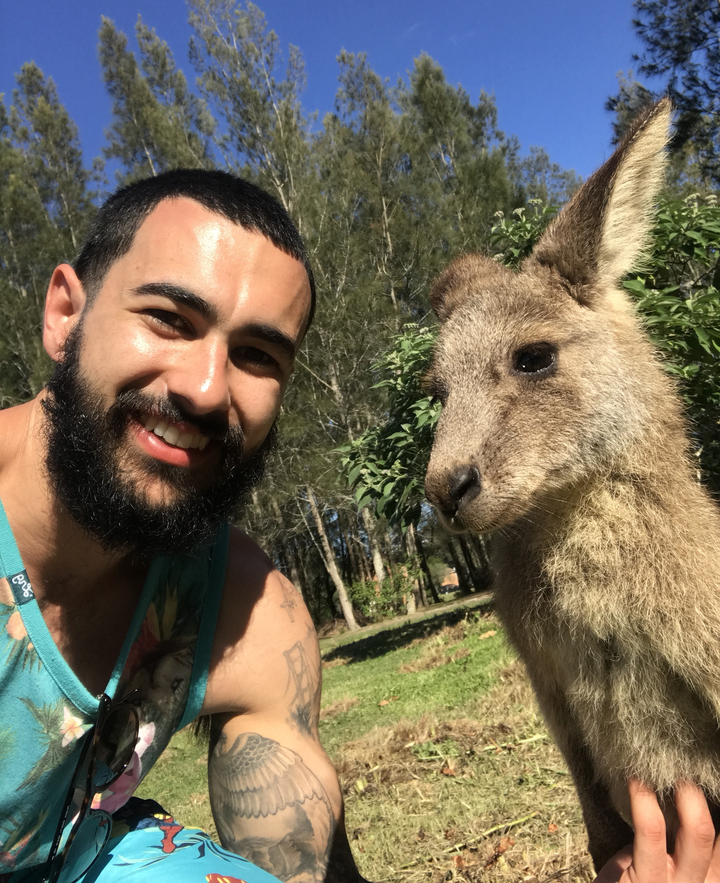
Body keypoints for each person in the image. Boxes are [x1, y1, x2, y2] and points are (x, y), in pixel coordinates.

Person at [0, 169, 716, 883]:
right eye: (168, 319)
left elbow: (305, 867)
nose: (205, 388)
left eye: (257, 355)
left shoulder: (246, 615)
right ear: (64, 314)